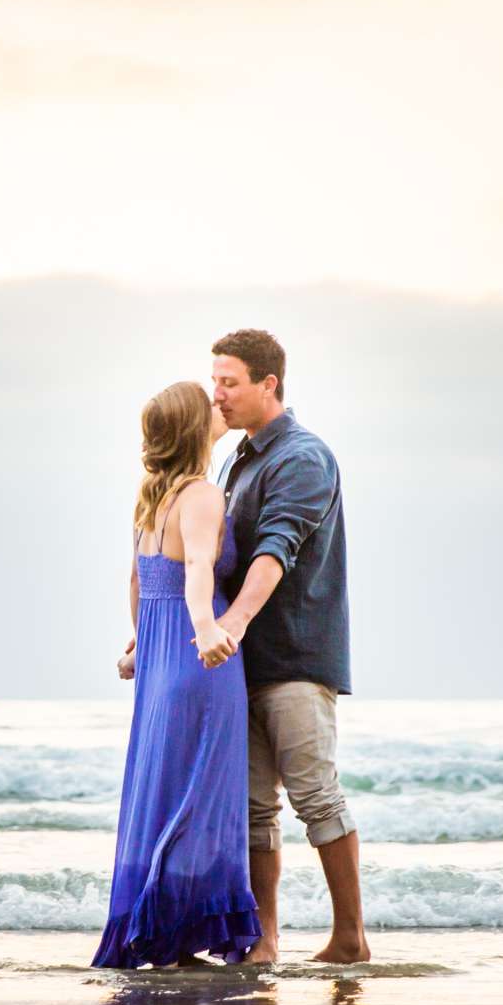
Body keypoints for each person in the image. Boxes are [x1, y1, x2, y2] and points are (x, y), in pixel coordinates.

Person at [207, 328, 369, 965]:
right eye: (214, 380)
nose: (216, 393)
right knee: (252, 810)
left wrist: (236, 622)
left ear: (268, 384)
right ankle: (265, 940)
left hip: (296, 657)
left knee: (317, 798)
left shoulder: (302, 456)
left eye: (230, 382)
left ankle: (350, 937)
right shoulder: (238, 459)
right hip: (239, 663)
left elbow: (278, 548)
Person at [92, 381, 264, 970]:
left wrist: (140, 644)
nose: (220, 407)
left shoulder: (152, 498)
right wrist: (206, 627)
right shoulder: (201, 495)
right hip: (200, 661)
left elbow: (138, 582)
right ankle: (173, 932)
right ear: (194, 429)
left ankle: (159, 930)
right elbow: (196, 566)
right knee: (202, 797)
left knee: (165, 792)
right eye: (208, 405)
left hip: (161, 664)